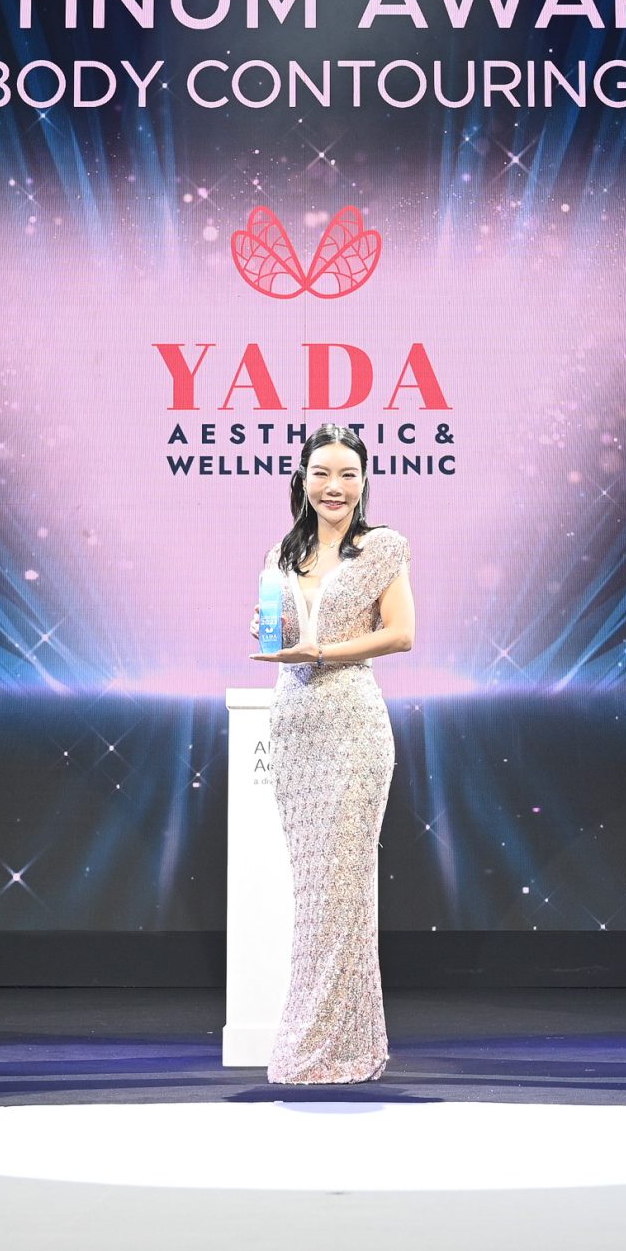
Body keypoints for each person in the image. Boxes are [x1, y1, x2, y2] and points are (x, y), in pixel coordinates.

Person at [247, 423, 415, 1085]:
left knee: (343, 889)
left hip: (351, 723)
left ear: (364, 480)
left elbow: (400, 634)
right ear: (303, 478)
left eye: (347, 474)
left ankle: (330, 1045)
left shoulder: (382, 547)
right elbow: (281, 633)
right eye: (322, 473)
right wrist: (270, 633)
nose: (334, 486)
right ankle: (335, 1041)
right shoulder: (282, 553)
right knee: (315, 888)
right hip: (294, 722)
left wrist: (321, 651)